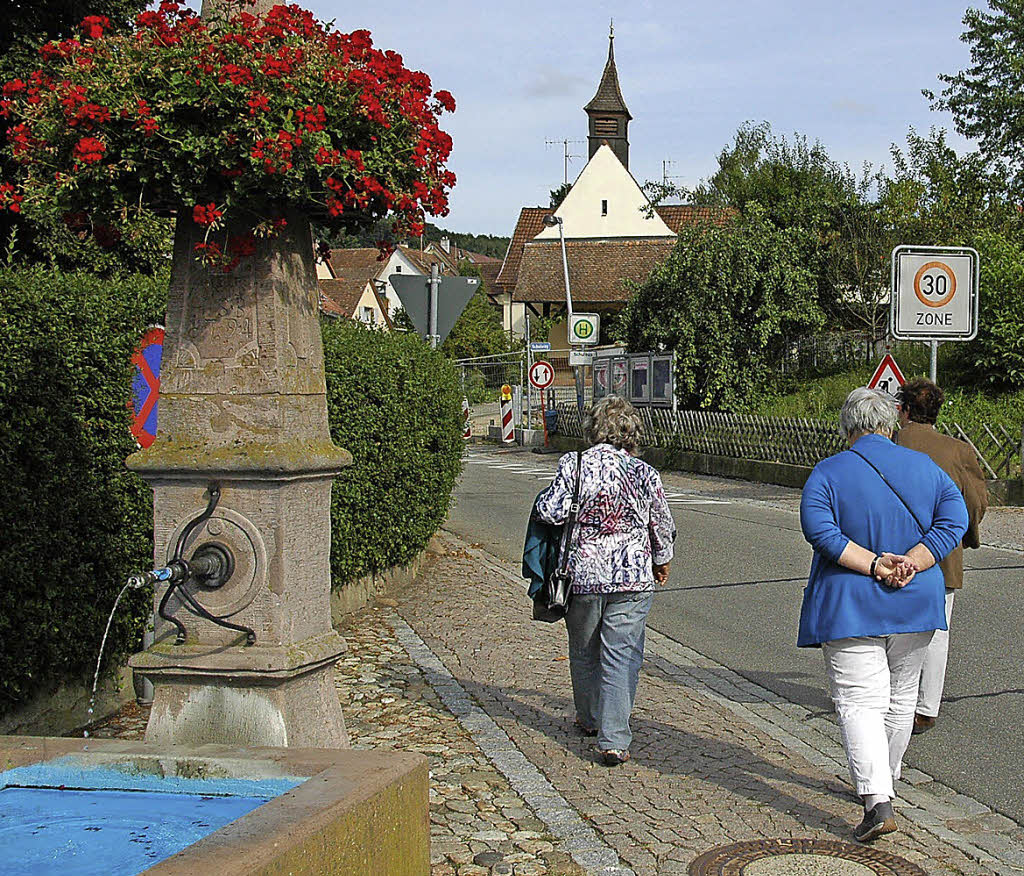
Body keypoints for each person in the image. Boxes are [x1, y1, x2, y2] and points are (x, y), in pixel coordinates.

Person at [799, 387, 968, 842]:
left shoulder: (828, 472)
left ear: (847, 427)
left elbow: (819, 529)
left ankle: (877, 800)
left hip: (851, 603)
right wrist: (914, 560)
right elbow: (955, 520)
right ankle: (886, 777)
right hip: (916, 599)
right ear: (890, 425)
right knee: (901, 697)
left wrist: (875, 565)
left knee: (859, 700)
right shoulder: (926, 468)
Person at [535, 396, 675, 766]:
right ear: (632, 431)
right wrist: (662, 560)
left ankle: (589, 718)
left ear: (593, 428)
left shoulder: (575, 464)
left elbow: (550, 511)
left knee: (584, 650)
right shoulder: (644, 473)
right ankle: (614, 740)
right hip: (632, 578)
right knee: (622, 655)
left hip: (581, 575)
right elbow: (662, 524)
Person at [895, 378, 987, 735]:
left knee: (885, 626)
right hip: (941, 552)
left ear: (903, 410)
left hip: (887, 550)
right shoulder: (958, 450)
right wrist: (964, 537)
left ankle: (885, 697)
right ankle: (925, 707)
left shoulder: (889, 443)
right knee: (936, 631)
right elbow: (975, 503)